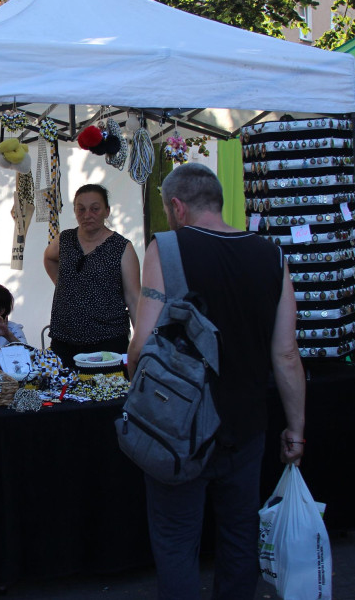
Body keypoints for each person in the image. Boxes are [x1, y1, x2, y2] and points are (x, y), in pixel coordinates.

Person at [126, 163, 306, 599]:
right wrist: (296, 431)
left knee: (175, 543)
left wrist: (137, 385)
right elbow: (285, 354)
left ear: (176, 206)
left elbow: (142, 344)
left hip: (180, 428)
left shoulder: (167, 247)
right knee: (240, 537)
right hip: (246, 427)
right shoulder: (273, 255)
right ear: (218, 201)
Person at [43, 183, 141, 368]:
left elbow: (134, 298)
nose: (87, 215)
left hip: (107, 342)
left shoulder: (122, 248)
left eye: (95, 209)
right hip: (64, 339)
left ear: (107, 211)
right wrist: (63, 285)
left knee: (108, 394)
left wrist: (142, 341)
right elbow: (49, 258)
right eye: (81, 209)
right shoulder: (65, 239)